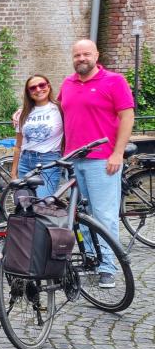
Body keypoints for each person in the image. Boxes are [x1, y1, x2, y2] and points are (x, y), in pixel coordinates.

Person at [58, 39, 135, 288]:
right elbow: (59, 111)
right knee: (82, 215)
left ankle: (108, 267)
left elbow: (127, 116)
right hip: (73, 159)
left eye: (86, 54)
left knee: (104, 215)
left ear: (96, 55)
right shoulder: (68, 83)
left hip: (102, 160)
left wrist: (117, 153)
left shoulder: (114, 81)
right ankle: (91, 259)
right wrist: (23, 113)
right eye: (77, 55)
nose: (82, 58)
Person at [10, 75, 64, 197]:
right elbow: (18, 145)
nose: (38, 89)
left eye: (42, 85)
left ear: (48, 86)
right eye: (33, 88)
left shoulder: (60, 109)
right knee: (24, 203)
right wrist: (13, 172)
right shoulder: (23, 113)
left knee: (42, 202)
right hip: (25, 161)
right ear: (28, 92)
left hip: (49, 161)